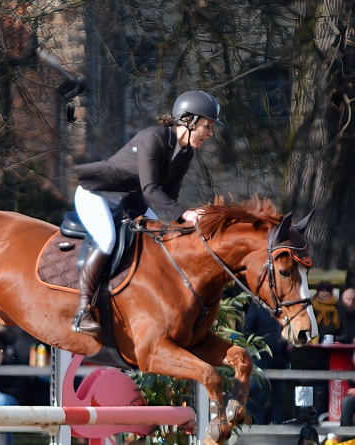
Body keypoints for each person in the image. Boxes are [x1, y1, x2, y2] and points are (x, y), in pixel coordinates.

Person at [72, 91, 222, 334]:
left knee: (160, 240)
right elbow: (151, 190)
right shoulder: (152, 138)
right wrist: (185, 213)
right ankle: (83, 311)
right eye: (207, 126)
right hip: (96, 195)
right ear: (188, 121)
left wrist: (187, 219)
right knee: (107, 240)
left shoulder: (185, 153)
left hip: (128, 203)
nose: (210, 133)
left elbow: (169, 199)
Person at [243, 302, 289, 424]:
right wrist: (269, 342)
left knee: (279, 396)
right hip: (262, 358)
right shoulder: (257, 306)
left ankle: (278, 426)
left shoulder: (287, 306)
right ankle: (258, 427)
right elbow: (247, 332)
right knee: (259, 395)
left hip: (282, 358)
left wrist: (290, 343)